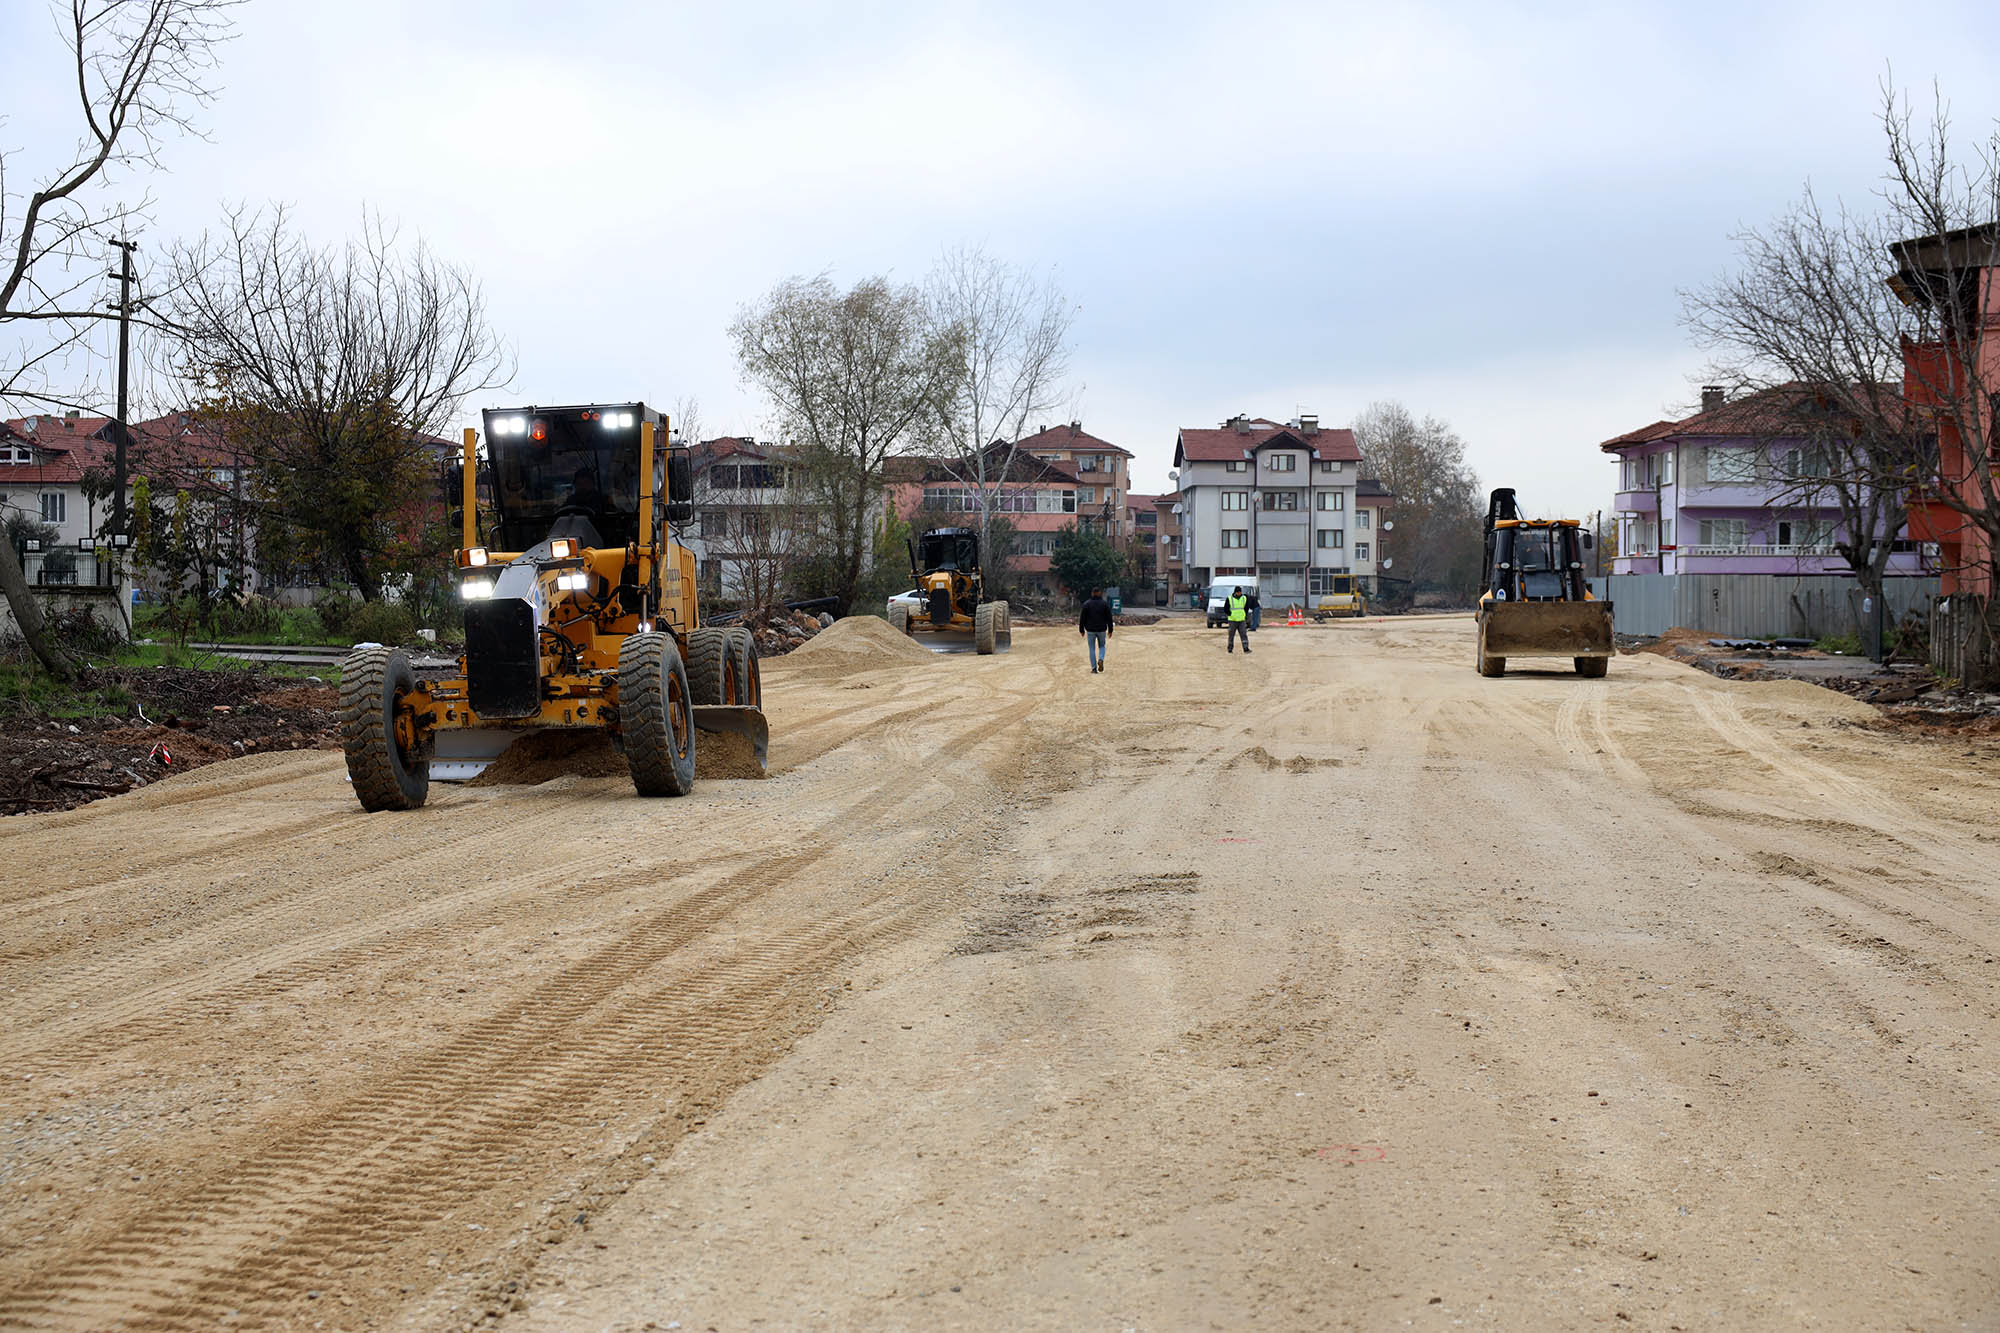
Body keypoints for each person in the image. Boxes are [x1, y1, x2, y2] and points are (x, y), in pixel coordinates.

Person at [1078, 587, 1115, 673]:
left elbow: (1082, 618)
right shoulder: (1104, 604)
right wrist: (1110, 630)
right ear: (1100, 593)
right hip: (1102, 629)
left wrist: (1081, 630)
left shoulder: (1087, 604)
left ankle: (1094, 669)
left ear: (1092, 593)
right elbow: (1109, 618)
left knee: (1091, 648)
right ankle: (1101, 659)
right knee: (1102, 646)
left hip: (1090, 630)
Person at [1226, 585, 1252, 654]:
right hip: (1232, 620)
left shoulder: (1244, 598)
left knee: (1244, 634)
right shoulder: (1229, 598)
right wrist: (1231, 614)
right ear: (1235, 592)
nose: (1240, 593)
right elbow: (1226, 609)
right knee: (1231, 635)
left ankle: (1246, 648)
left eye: (1240, 592)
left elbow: (1246, 608)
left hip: (1241, 620)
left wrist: (1244, 615)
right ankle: (1230, 648)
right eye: (1238, 592)